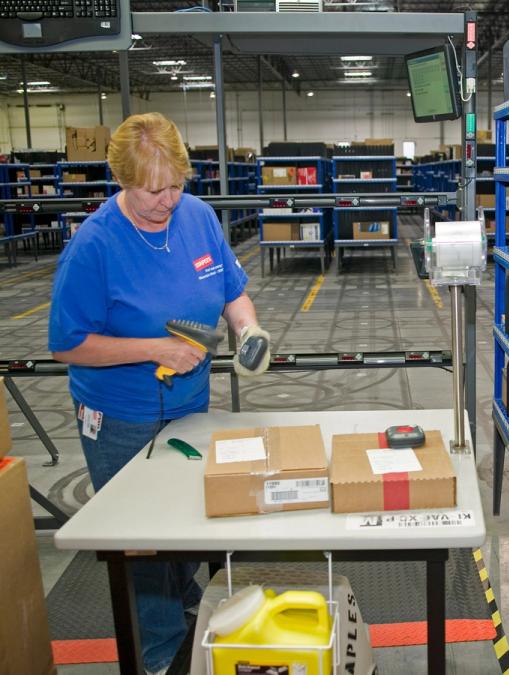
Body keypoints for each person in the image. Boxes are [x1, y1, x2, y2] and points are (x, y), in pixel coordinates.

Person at [48, 112, 270, 674]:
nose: (167, 200)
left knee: (188, 523)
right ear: (121, 180)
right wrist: (153, 348)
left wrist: (249, 329)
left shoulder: (196, 217)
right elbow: (68, 344)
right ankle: (160, 653)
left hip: (189, 405)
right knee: (143, 545)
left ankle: (186, 598)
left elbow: (232, 290)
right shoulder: (95, 245)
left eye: (176, 184)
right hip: (122, 417)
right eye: (153, 190)